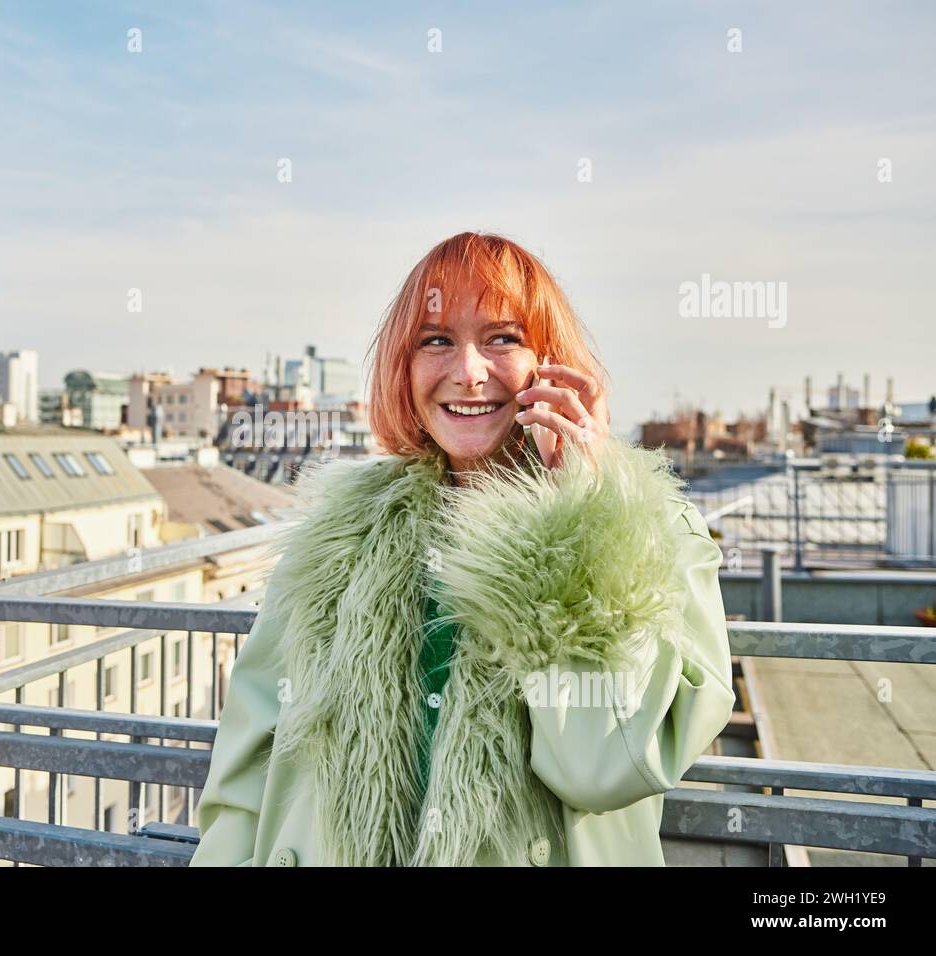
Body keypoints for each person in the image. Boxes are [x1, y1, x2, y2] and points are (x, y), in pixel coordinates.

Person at [189, 231, 735, 866]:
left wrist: (579, 518)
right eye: (435, 340)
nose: (468, 371)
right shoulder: (339, 534)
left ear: (550, 364)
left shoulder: (645, 529)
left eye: (503, 338)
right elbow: (247, 767)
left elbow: (603, 765)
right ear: (404, 365)